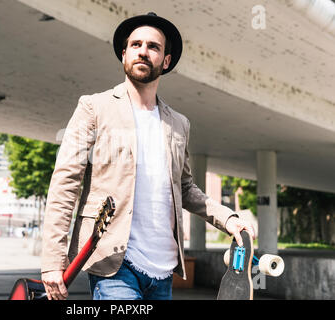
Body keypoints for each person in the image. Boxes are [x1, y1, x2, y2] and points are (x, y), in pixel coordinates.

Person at [41, 12, 256, 300]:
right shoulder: (94, 107)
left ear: (165, 61)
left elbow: (185, 188)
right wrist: (53, 261)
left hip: (163, 270)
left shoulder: (179, 123)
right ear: (124, 54)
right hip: (113, 263)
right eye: (136, 44)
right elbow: (65, 182)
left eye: (153, 46)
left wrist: (228, 219)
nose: (143, 51)